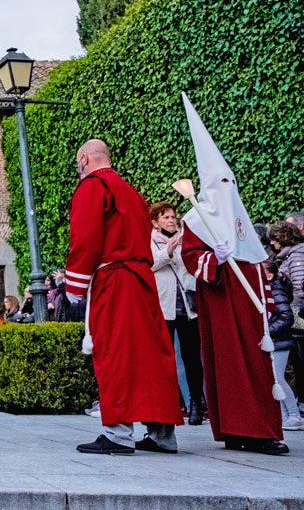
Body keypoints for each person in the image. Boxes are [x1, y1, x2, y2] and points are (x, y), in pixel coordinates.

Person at [176, 96, 286, 455]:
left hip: (249, 302)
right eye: (220, 180)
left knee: (257, 363)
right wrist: (215, 258)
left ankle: (265, 429)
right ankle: (237, 429)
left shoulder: (239, 216)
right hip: (221, 300)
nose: (227, 185)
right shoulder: (196, 220)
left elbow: (255, 256)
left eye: (230, 179)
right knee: (229, 365)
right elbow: (192, 258)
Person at [65, 139, 182, 455]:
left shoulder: (93, 186)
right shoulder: (133, 193)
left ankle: (117, 435)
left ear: (85, 158)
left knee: (114, 351)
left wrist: (75, 285)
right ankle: (162, 435)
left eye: (79, 162)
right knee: (151, 355)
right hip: (142, 279)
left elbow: (85, 238)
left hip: (113, 279)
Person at [149, 202, 205, 425]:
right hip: (164, 306)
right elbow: (150, 264)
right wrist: (168, 252)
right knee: (165, 357)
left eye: (173, 217)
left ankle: (196, 405)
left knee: (191, 356)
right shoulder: (150, 241)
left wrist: (180, 249)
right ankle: (169, 403)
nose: (172, 220)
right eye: (166, 217)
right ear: (155, 222)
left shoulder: (186, 238)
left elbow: (192, 265)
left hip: (187, 306)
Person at [266, 258, 303, 431]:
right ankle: (284, 416)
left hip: (279, 341)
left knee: (279, 378)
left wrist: (268, 331)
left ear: (269, 275)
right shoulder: (270, 289)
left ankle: (294, 415)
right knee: (275, 379)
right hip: (277, 340)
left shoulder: (276, 290)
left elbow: (286, 316)